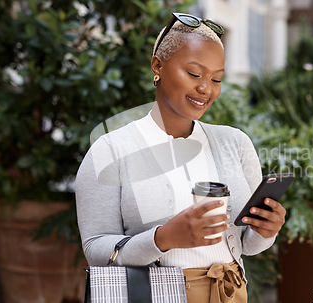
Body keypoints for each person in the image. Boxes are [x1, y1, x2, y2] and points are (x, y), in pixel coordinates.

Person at [75, 12, 287, 303]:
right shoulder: (111, 151)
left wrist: (266, 230)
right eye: (194, 74)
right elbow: (96, 249)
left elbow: (248, 245)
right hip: (155, 295)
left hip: (230, 291)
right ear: (157, 66)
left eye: (216, 78)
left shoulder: (234, 143)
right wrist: (163, 238)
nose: (206, 89)